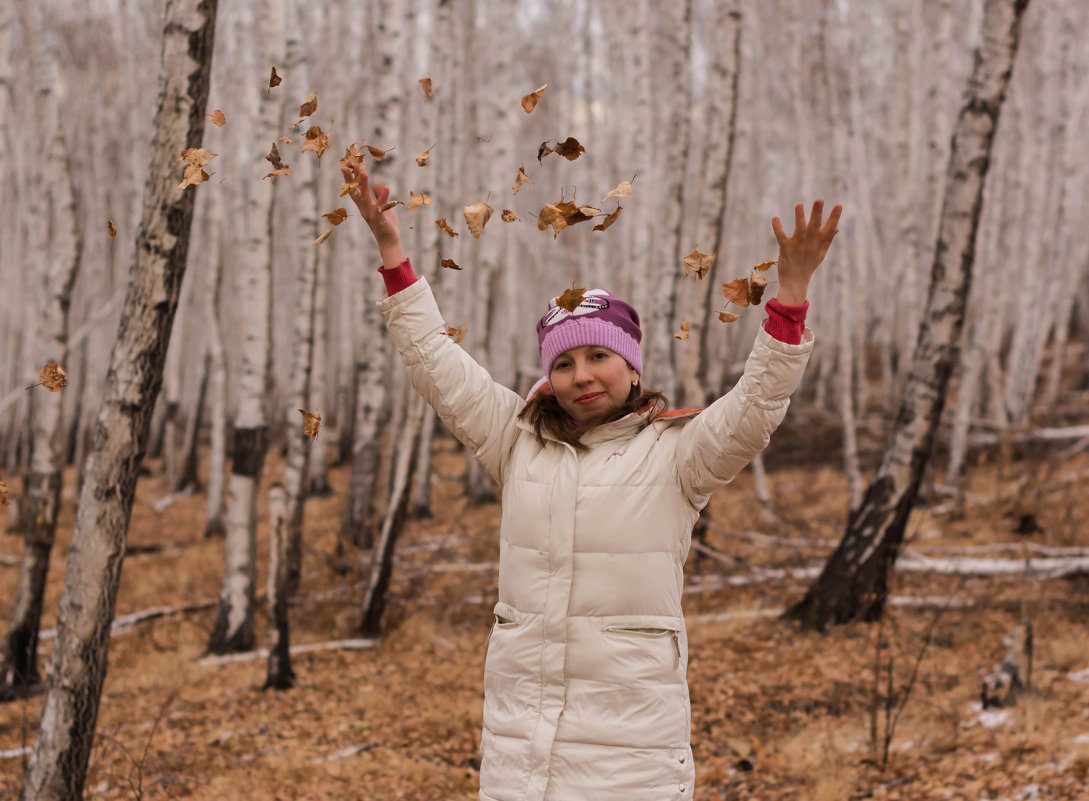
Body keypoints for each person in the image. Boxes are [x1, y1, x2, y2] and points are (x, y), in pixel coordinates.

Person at [343, 160, 840, 801]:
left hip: (630, 759)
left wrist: (791, 295)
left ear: (632, 367)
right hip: (519, 753)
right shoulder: (516, 439)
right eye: (566, 363)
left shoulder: (678, 454)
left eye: (599, 356)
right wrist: (393, 252)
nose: (582, 376)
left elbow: (756, 406)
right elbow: (436, 362)